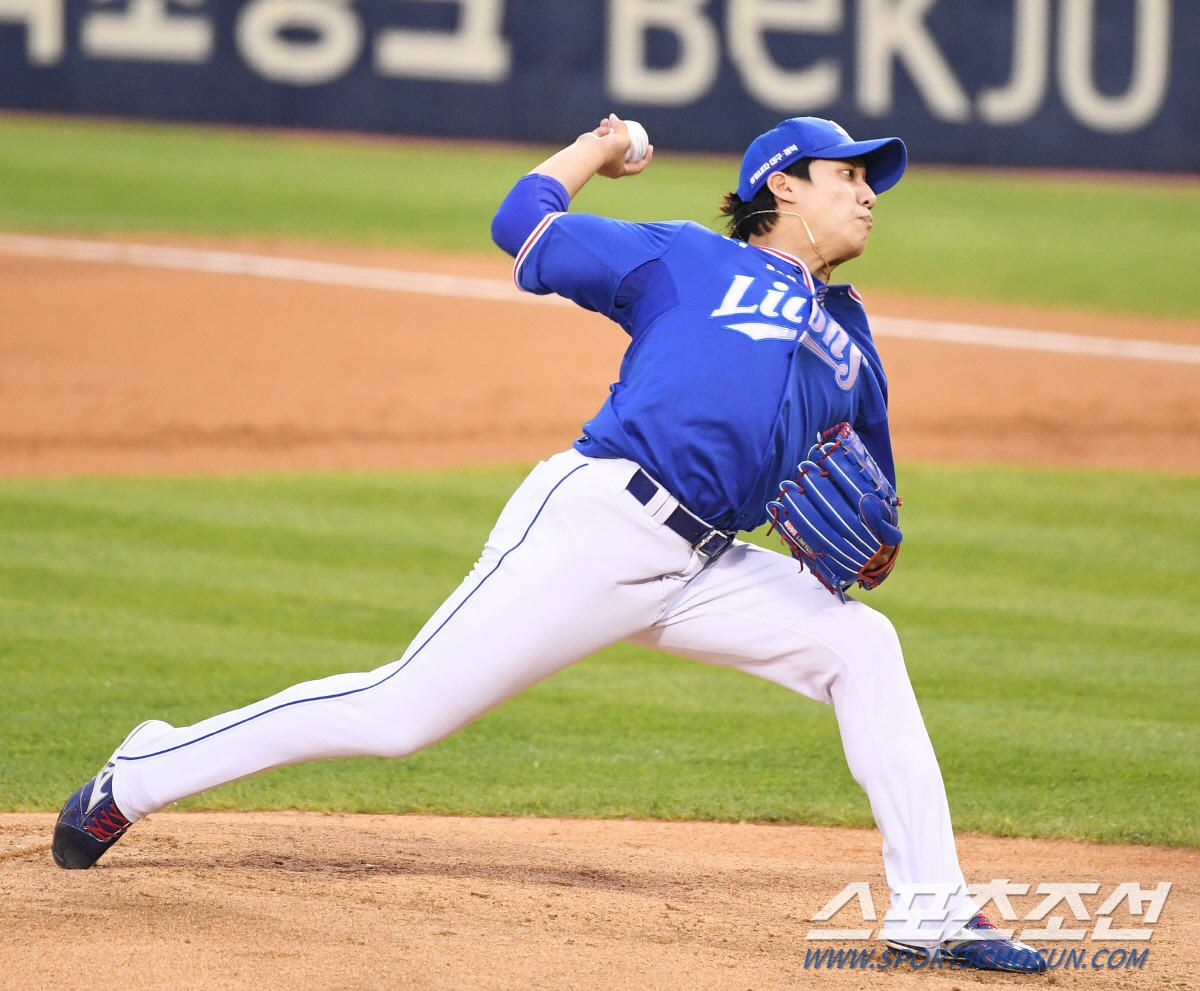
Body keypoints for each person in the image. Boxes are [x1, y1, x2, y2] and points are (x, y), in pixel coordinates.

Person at [52, 115, 1045, 973]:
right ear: (782, 184)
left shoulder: (853, 337)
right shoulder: (684, 257)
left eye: (872, 180)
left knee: (862, 643)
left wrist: (870, 553)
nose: (869, 195)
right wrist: (596, 147)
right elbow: (521, 226)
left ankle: (933, 910)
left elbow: (868, 491)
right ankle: (138, 773)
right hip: (600, 522)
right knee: (400, 713)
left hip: (706, 565)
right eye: (849, 175)